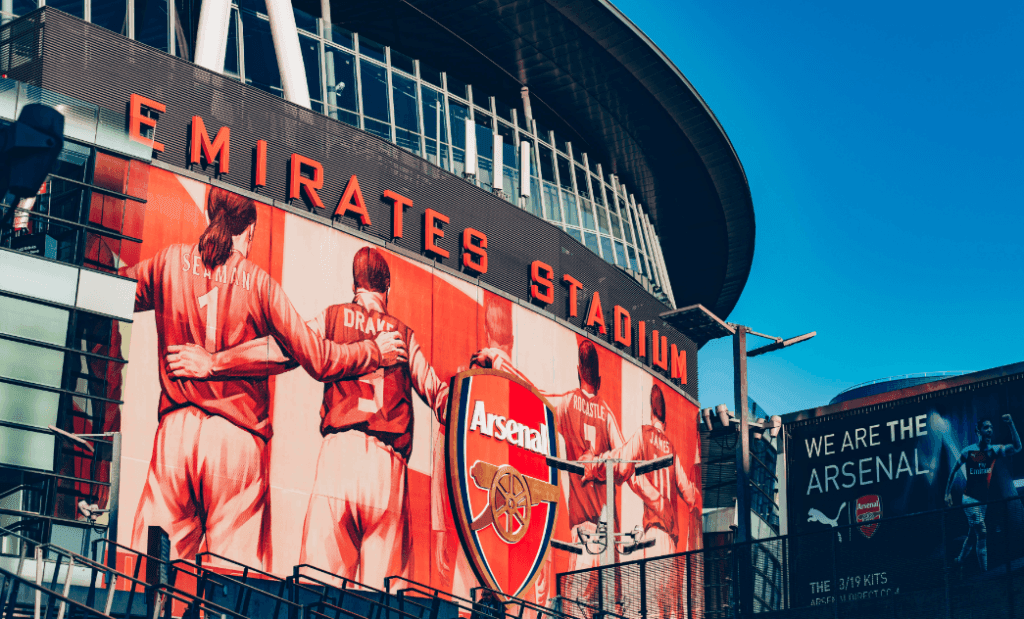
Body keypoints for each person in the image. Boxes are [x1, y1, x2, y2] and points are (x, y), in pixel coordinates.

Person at [126, 187, 407, 567]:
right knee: (231, 590)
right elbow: (320, 359)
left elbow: (111, 287)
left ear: (211, 217)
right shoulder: (259, 284)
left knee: (149, 582)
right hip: (236, 443)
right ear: (251, 231)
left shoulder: (168, 263)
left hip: (174, 436)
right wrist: (374, 351)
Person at [171, 246, 448, 586]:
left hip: (337, 457)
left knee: (317, 594)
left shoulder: (332, 318)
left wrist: (214, 362)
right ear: (387, 287)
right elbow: (439, 394)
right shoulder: (404, 336)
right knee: (387, 604)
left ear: (354, 286)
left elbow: (280, 351)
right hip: (386, 467)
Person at [473, 339, 625, 587]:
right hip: (610, 533)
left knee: (578, 607)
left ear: (578, 372)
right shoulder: (607, 414)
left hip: (586, 528)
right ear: (598, 379)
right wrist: (599, 464)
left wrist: (497, 359)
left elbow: (534, 393)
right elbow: (624, 462)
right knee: (611, 608)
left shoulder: (566, 403)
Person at [583, 384, 699, 619]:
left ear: (651, 412)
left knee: (653, 611)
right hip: (671, 542)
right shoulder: (672, 451)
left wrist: (594, 464)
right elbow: (688, 494)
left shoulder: (644, 434)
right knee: (668, 611)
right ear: (664, 418)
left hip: (654, 535)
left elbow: (622, 464)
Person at [944, 414, 1021, 572]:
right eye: (986, 427)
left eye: (991, 427)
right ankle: (984, 574)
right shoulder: (968, 452)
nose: (990, 430)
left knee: (973, 535)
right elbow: (953, 472)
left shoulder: (994, 450)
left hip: (983, 501)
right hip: (969, 500)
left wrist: (1011, 424)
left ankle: (959, 560)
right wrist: (947, 494)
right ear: (978, 431)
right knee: (983, 532)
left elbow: (1017, 447)